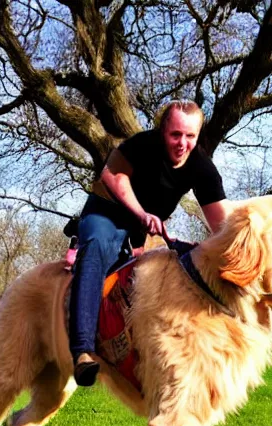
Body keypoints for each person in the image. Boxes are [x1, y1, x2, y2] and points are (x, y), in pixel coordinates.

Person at [69, 99, 232, 386]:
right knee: (97, 246)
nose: (182, 143)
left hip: (140, 226)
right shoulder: (142, 144)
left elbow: (224, 226)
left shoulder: (202, 168)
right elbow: (113, 177)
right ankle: (82, 351)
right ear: (162, 131)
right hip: (107, 210)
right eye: (175, 134)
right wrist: (142, 214)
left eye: (190, 136)